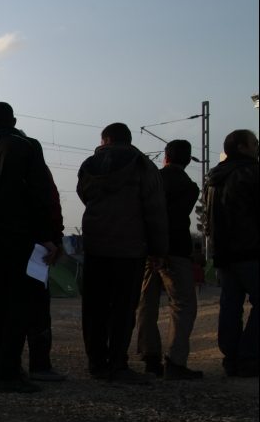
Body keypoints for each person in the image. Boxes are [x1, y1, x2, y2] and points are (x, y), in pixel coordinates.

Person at [0, 102, 56, 393]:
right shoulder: (28, 146)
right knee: (21, 305)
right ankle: (10, 373)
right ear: (14, 120)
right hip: (24, 237)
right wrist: (49, 235)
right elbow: (42, 192)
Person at [77, 122, 167, 383]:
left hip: (95, 245)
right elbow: (154, 209)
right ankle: (118, 364)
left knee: (94, 308)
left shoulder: (89, 165)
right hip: (130, 248)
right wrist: (158, 248)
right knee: (123, 309)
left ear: (105, 140)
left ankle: (96, 363)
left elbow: (84, 194)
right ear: (128, 140)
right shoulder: (142, 165)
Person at [134, 139, 203, 380]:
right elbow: (174, 218)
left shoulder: (151, 179)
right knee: (183, 304)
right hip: (175, 251)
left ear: (165, 156)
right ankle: (175, 361)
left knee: (146, 302)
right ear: (187, 159)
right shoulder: (190, 187)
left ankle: (150, 356)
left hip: (147, 249)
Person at [204, 129, 259, 378]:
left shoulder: (214, 178)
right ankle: (249, 355)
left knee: (230, 305)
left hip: (223, 252)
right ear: (242, 147)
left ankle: (231, 356)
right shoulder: (252, 173)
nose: (257, 147)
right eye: (254, 143)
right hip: (250, 249)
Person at [25, 157, 67, 382]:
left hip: (5, 247)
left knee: (10, 310)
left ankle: (5, 366)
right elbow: (51, 204)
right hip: (38, 250)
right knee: (38, 309)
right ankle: (40, 365)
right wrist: (54, 238)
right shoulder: (39, 172)